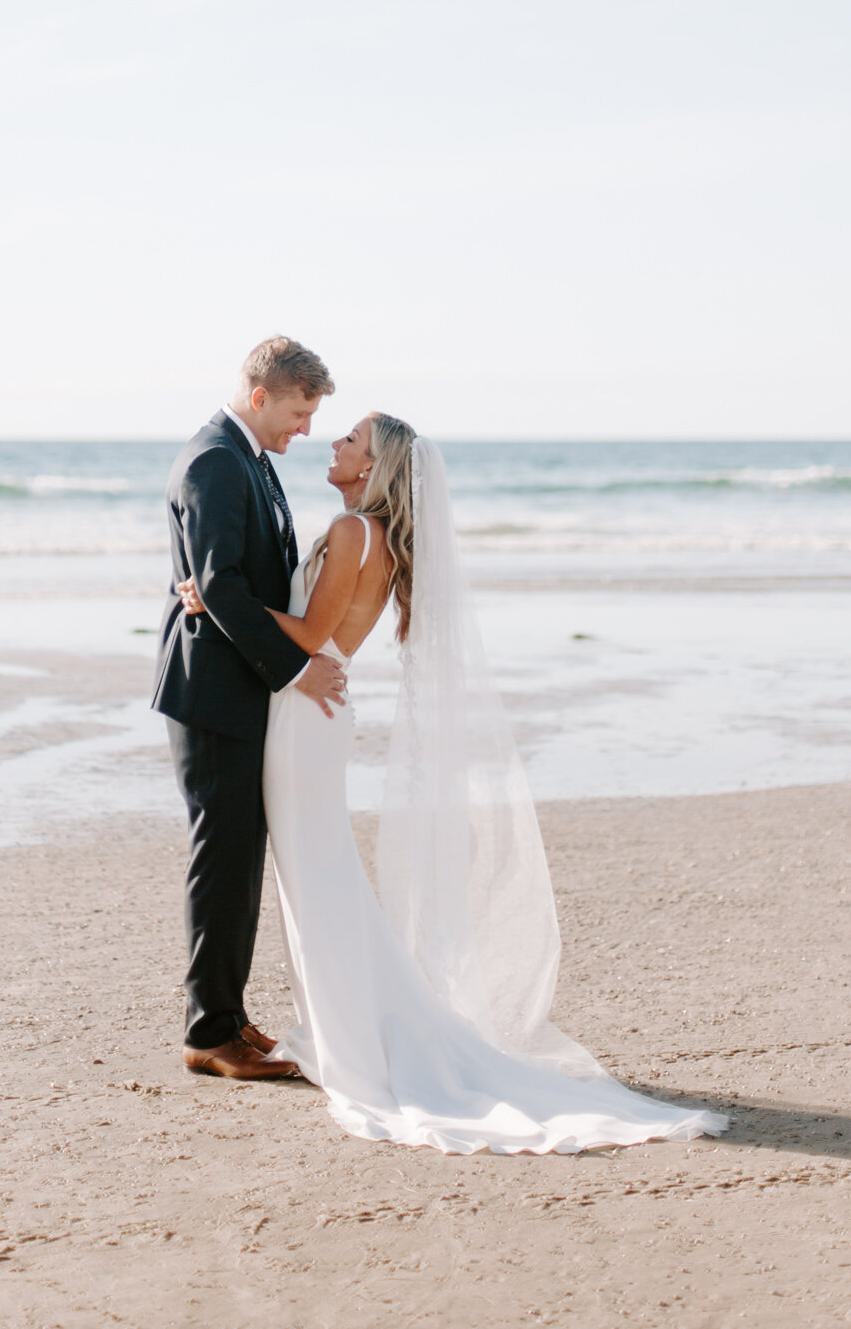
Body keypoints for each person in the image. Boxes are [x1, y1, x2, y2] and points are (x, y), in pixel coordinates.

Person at [177, 410, 729, 1154]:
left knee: (316, 878)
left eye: (350, 440)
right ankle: (343, 1029)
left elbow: (309, 640)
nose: (333, 442)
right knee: (315, 875)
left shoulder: (352, 535)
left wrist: (217, 600)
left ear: (372, 468)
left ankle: (355, 1042)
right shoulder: (368, 536)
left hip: (302, 721)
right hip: (306, 716)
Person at [154, 336, 346, 1080]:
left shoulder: (251, 461)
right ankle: (209, 1033)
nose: (304, 429)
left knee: (239, 856)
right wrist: (296, 667)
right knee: (224, 859)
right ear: (261, 395)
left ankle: (228, 1016)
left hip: (237, 684)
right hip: (211, 691)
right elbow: (220, 584)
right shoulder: (214, 459)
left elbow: (233, 581)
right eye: (298, 413)